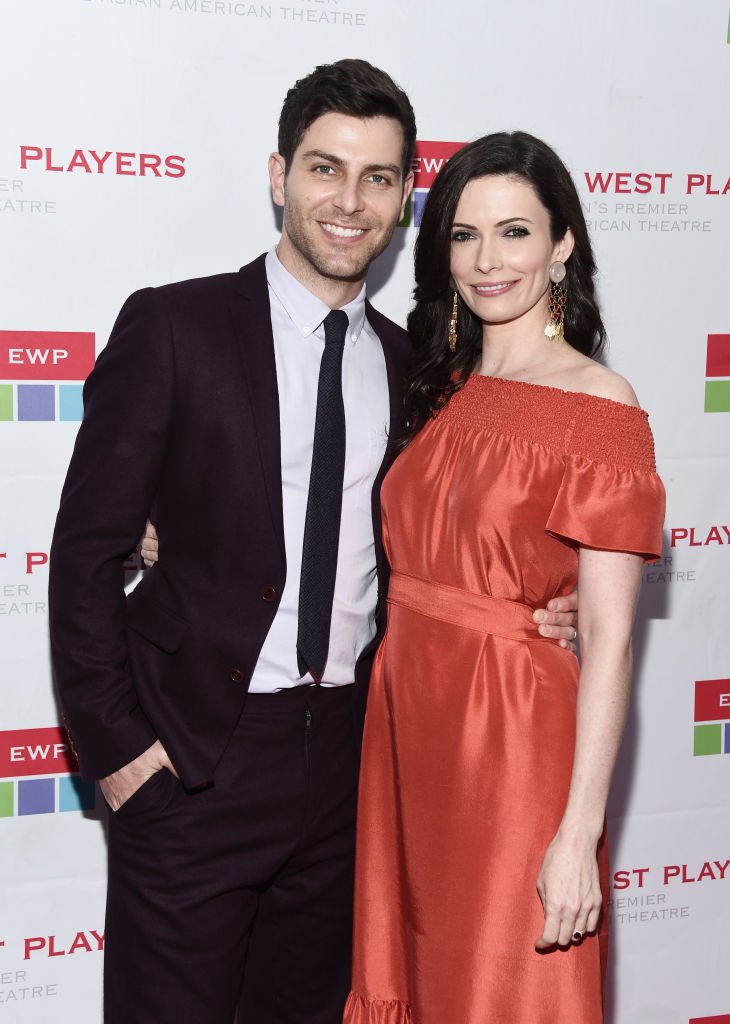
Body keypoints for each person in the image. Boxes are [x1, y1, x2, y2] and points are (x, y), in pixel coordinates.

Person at [48, 63, 579, 1024]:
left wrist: (553, 599)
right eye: (325, 169)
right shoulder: (175, 325)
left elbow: (457, 537)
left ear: (406, 195)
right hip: (194, 758)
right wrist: (121, 751)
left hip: (351, 768)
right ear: (278, 174)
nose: (349, 201)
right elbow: (84, 555)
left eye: (378, 177)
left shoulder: (420, 365)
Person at [343, 132, 665, 1024]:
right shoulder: (437, 382)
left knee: (499, 986)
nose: (487, 261)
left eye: (515, 233)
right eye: (464, 234)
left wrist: (579, 834)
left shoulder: (600, 404)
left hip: (514, 741)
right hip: (408, 725)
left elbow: (606, 643)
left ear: (563, 245)